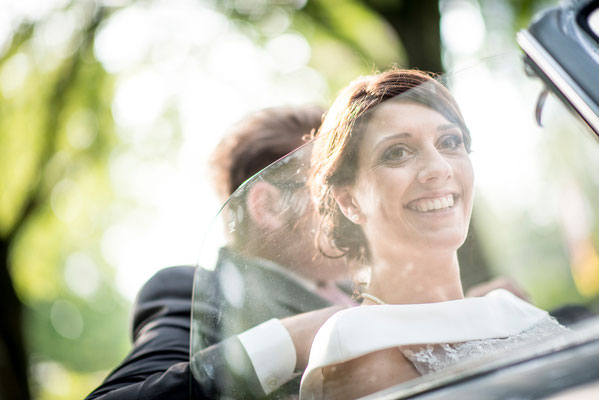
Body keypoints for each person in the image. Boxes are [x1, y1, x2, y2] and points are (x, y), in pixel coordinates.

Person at [297, 69, 569, 399]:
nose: (439, 168)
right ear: (349, 201)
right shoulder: (361, 344)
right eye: (397, 152)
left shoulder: (512, 311)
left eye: (450, 142)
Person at [85, 105, 353, 400]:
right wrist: (289, 342)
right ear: (269, 206)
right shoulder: (197, 293)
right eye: (332, 185)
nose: (356, 201)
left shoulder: (369, 288)